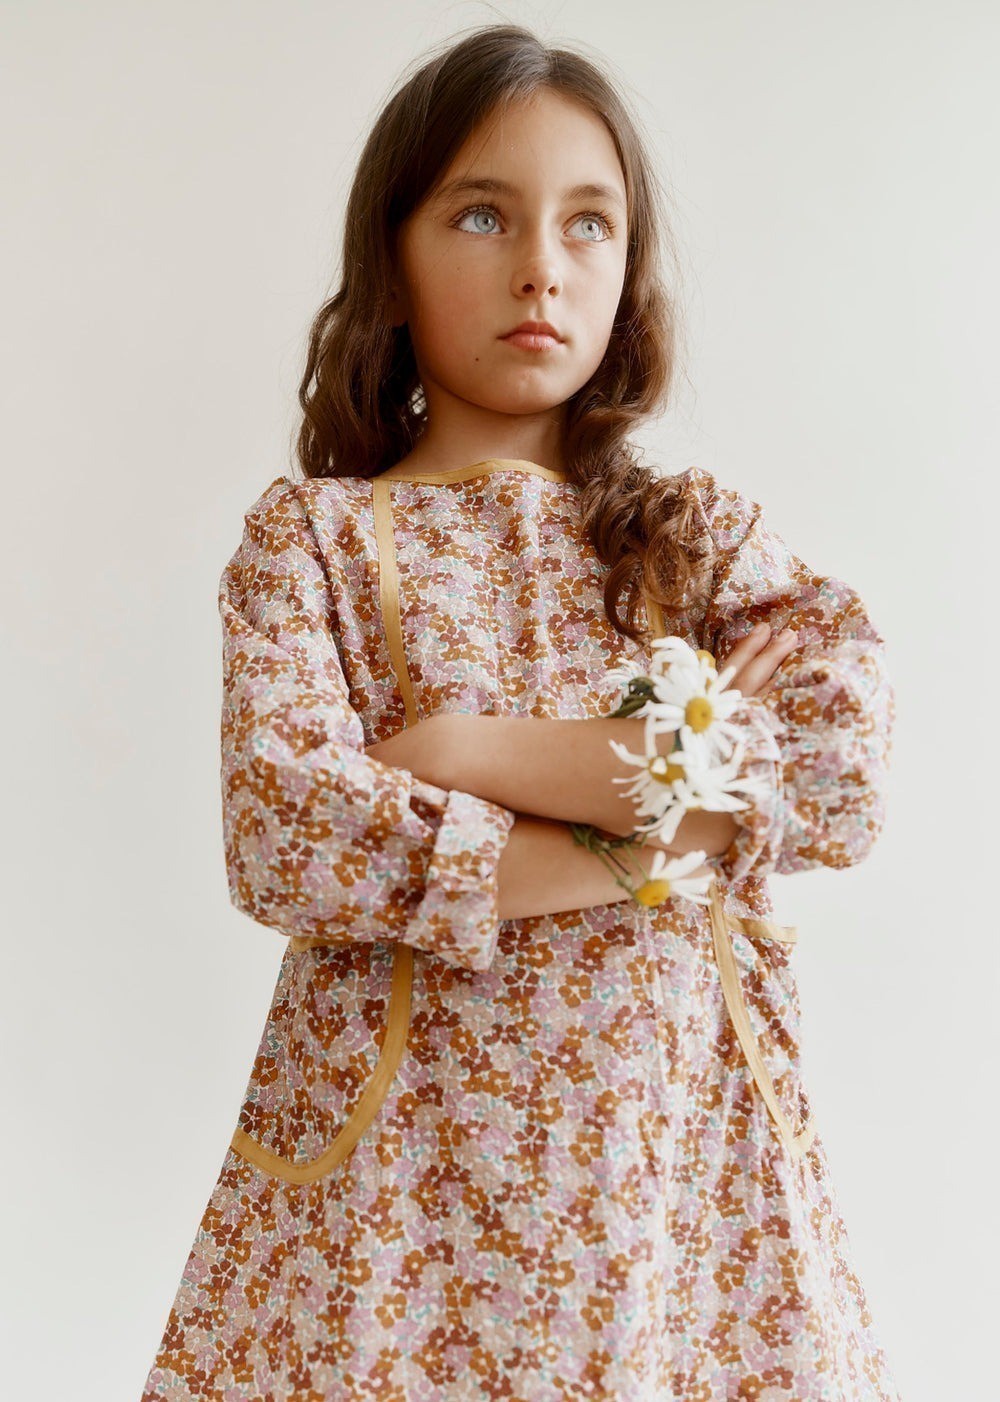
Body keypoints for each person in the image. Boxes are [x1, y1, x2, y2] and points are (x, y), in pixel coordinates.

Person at [141, 23, 901, 1401]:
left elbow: (839, 767)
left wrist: (461, 752)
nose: (541, 265)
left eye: (588, 222)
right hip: (398, 1194)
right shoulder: (316, 543)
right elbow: (288, 830)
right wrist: (669, 828)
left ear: (629, 270)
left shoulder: (696, 541)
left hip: (676, 1183)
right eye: (483, 214)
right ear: (392, 260)